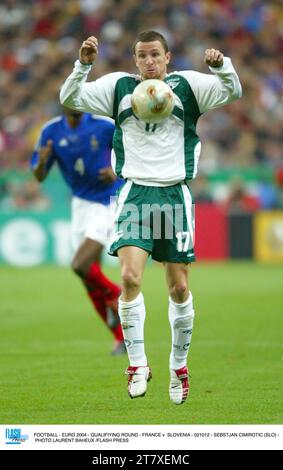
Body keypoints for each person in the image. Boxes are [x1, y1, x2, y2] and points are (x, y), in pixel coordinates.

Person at [60, 30, 242, 404]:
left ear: (168, 57)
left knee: (178, 288)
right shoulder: (118, 88)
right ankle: (138, 364)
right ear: (135, 59)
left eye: (154, 55)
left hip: (175, 194)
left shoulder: (189, 86)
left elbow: (233, 91)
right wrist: (84, 65)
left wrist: (222, 66)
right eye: (141, 56)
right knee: (129, 277)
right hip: (135, 194)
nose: (148, 62)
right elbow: (69, 97)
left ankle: (178, 366)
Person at [30, 107, 126, 355]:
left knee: (79, 264)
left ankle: (117, 292)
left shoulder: (104, 125)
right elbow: (39, 176)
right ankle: (121, 337)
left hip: (107, 201)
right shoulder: (51, 131)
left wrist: (116, 172)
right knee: (87, 279)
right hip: (80, 203)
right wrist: (42, 161)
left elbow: (132, 151)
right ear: (61, 103)